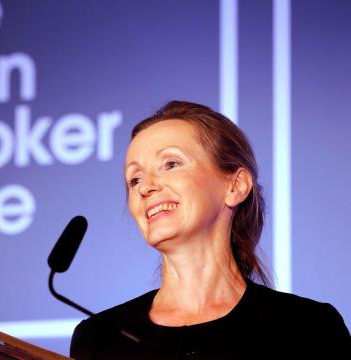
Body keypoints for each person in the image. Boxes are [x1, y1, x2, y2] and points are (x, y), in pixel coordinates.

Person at [69, 101, 350, 359]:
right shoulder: (98, 337)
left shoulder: (308, 327)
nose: (146, 187)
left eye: (171, 164)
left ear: (235, 186)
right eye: (134, 179)